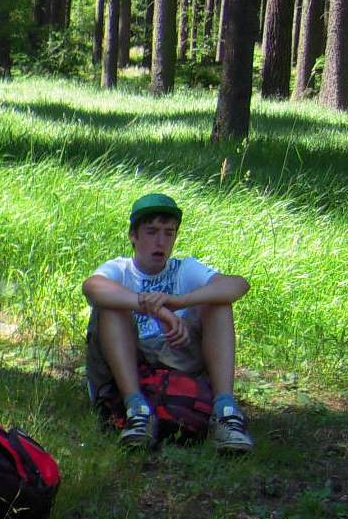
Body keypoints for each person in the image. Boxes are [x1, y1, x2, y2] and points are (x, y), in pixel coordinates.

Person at [81, 192, 253, 453]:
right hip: (129, 356)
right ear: (133, 236)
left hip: (176, 355)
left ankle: (225, 412)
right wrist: (154, 309)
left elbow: (238, 285)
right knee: (110, 307)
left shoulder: (184, 268)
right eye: (151, 232)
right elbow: (92, 287)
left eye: (168, 233)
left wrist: (179, 302)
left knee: (218, 303)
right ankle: (136, 409)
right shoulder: (120, 269)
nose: (160, 242)